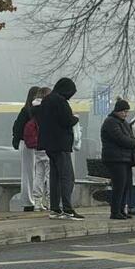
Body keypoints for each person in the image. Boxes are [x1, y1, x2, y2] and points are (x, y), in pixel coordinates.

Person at [35, 77, 83, 220]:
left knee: (55, 177)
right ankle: (68, 209)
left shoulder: (46, 100)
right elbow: (66, 120)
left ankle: (55, 209)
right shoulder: (60, 101)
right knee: (67, 177)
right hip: (61, 145)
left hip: (49, 145)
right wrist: (75, 118)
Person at [101, 99, 135, 220]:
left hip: (125, 158)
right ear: (117, 110)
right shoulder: (111, 122)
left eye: (127, 111)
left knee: (126, 185)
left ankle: (122, 210)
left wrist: (133, 142)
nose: (125, 114)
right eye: (123, 111)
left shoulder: (123, 123)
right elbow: (121, 139)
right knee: (119, 185)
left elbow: (130, 137)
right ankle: (115, 211)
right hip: (115, 159)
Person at [12, 86, 42, 212]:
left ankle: (29, 201)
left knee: (28, 173)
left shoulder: (25, 111)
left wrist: (16, 139)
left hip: (27, 144)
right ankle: (38, 201)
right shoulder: (40, 110)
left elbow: (17, 127)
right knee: (40, 173)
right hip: (39, 144)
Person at [29, 87, 52, 211]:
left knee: (39, 174)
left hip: (37, 146)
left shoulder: (33, 108)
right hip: (47, 144)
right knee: (50, 174)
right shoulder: (46, 108)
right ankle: (49, 200)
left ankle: (37, 201)